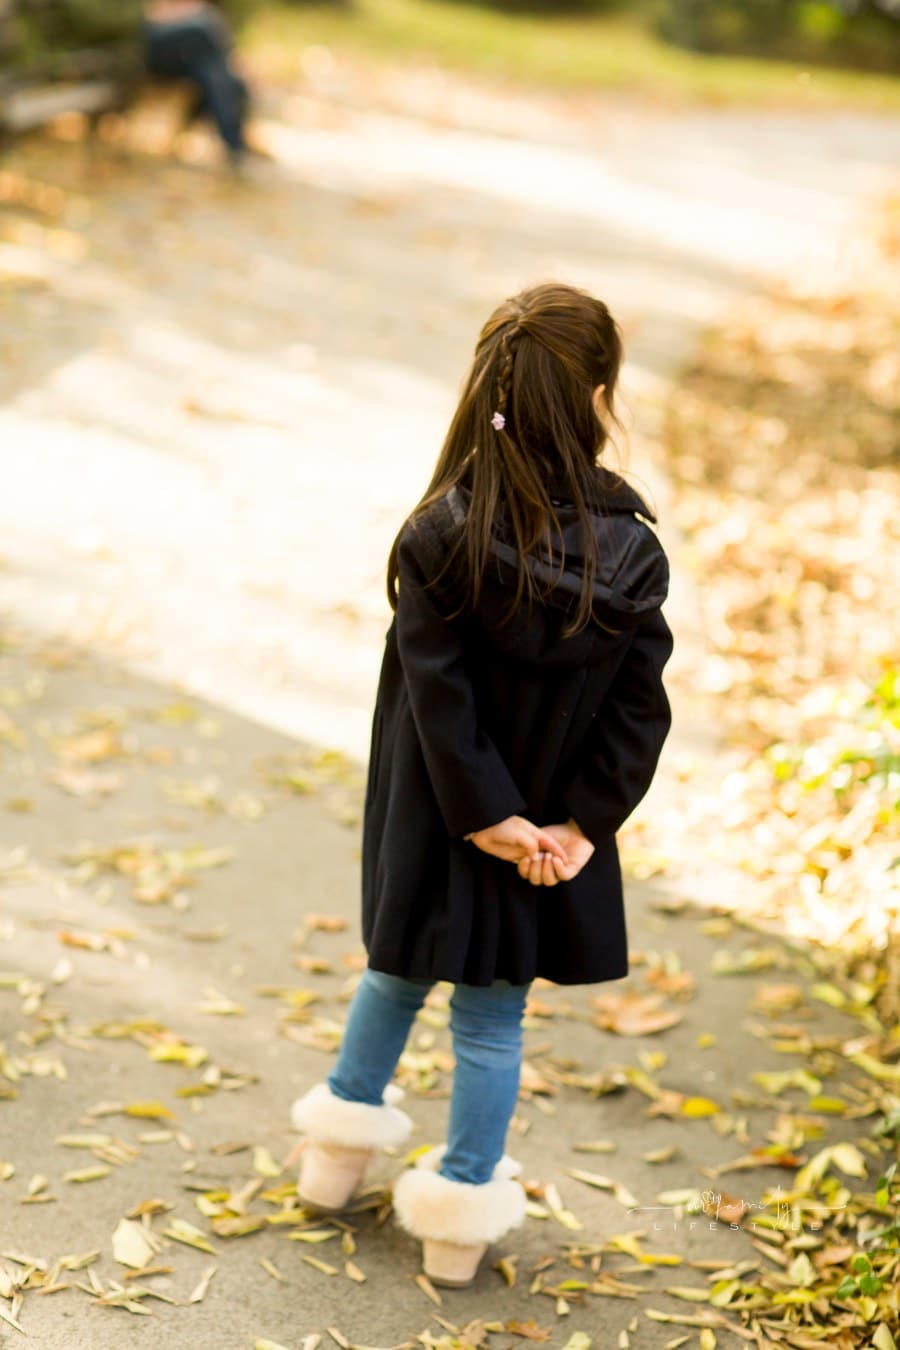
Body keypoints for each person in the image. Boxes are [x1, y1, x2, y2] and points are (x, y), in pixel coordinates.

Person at [290, 282, 674, 1288]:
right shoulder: (632, 553)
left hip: (439, 820)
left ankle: (330, 1167)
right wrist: (577, 827)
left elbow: (435, 699)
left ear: (488, 386)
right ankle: (457, 1233)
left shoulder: (439, 536)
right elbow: (643, 708)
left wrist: (482, 814)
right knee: (493, 1019)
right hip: (546, 833)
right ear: (597, 396)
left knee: (394, 974)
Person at [143, 0, 250, 166]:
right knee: (206, 28)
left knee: (219, 77)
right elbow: (154, 15)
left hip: (190, 54)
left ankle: (235, 147)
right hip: (159, 51)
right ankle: (235, 146)